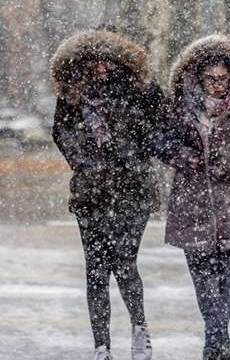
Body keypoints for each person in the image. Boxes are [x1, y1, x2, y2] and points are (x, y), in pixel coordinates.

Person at [50, 28, 161, 360]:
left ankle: (139, 329)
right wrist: (86, 163)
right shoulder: (73, 92)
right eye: (94, 59)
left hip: (133, 190)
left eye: (107, 59)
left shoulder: (140, 90)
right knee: (96, 269)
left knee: (125, 261)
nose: (101, 66)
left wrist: (130, 154)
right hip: (91, 192)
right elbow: (62, 132)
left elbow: (157, 128)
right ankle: (102, 346)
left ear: (120, 58)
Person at [159, 35, 230, 360]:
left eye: (223, 78)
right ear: (198, 77)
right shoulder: (180, 105)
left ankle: (215, 342)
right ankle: (218, 342)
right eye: (210, 78)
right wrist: (184, 157)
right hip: (192, 204)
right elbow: (161, 140)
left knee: (225, 280)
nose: (217, 85)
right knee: (203, 280)